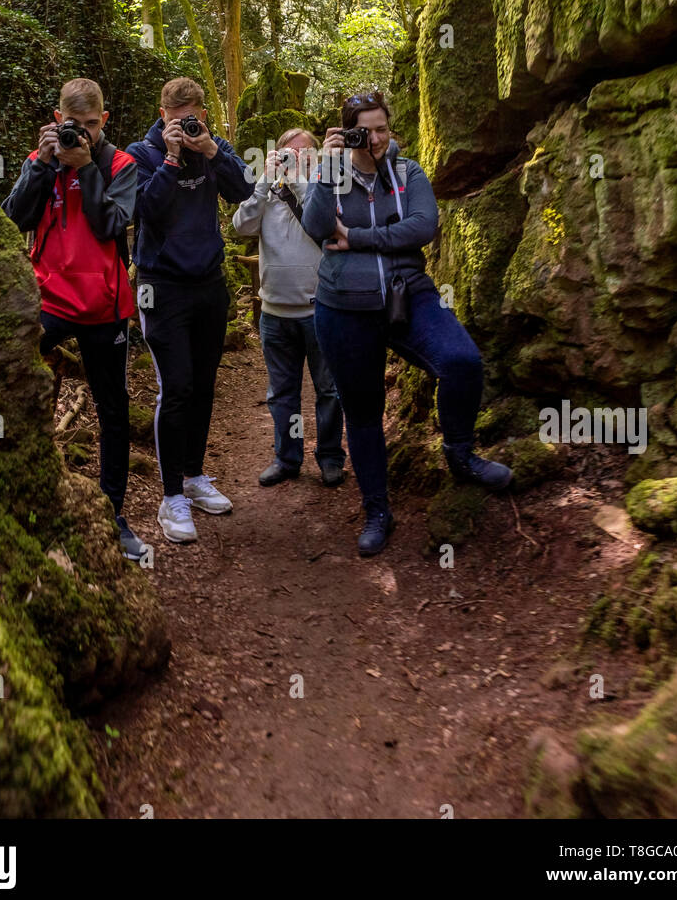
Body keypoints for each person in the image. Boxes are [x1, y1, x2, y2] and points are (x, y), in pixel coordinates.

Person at [302, 89, 512, 557]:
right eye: (364, 130)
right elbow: (316, 227)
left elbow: (424, 226)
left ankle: (461, 454)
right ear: (347, 130)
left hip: (408, 295)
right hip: (343, 308)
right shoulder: (333, 174)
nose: (374, 139)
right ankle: (378, 509)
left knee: (461, 361)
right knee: (363, 410)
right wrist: (326, 169)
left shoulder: (407, 171)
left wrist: (355, 237)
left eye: (382, 129)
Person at [1, 77, 148, 562]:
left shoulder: (120, 163)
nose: (80, 135)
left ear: (103, 121)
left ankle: (113, 513)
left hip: (104, 307)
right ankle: (21, 488)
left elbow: (111, 225)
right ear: (56, 119)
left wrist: (87, 170)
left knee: (113, 408)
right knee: (5, 374)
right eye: (72, 125)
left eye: (89, 126)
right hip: (49, 299)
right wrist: (42, 166)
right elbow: (14, 220)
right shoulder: (42, 159)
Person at [128, 77, 251, 544]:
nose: (185, 126)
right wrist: (173, 157)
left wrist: (212, 152)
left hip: (209, 284)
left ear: (203, 113)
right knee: (175, 387)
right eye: (177, 120)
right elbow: (148, 212)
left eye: (193, 118)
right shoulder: (141, 155)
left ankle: (196, 476)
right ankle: (170, 496)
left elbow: (243, 191)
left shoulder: (212, 146)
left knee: (202, 386)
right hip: (161, 288)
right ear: (163, 115)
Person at [232, 128, 345, 487]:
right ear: (275, 156)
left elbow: (325, 228)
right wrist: (265, 181)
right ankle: (287, 458)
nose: (295, 159)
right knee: (282, 394)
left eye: (305, 154)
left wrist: (298, 180)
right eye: (288, 154)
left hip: (321, 312)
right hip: (275, 315)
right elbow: (240, 226)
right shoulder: (266, 196)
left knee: (328, 390)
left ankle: (329, 456)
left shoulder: (325, 195)